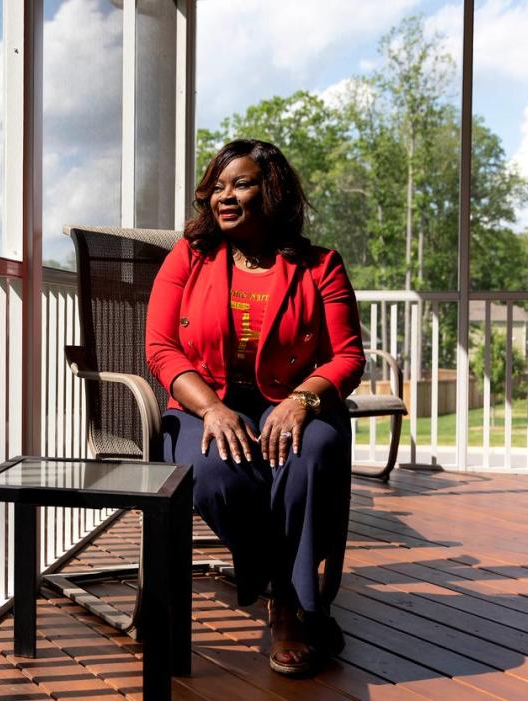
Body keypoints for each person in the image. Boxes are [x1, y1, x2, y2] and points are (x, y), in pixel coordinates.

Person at [145, 139, 365, 676]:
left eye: (240, 184)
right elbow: (160, 347)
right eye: (217, 186)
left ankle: (288, 610)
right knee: (216, 471)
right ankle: (290, 594)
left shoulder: (320, 265)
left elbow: (347, 355)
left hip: (288, 397)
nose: (225, 196)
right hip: (205, 402)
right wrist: (214, 410)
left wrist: (303, 401)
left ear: (272, 192)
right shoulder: (189, 257)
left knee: (314, 448)